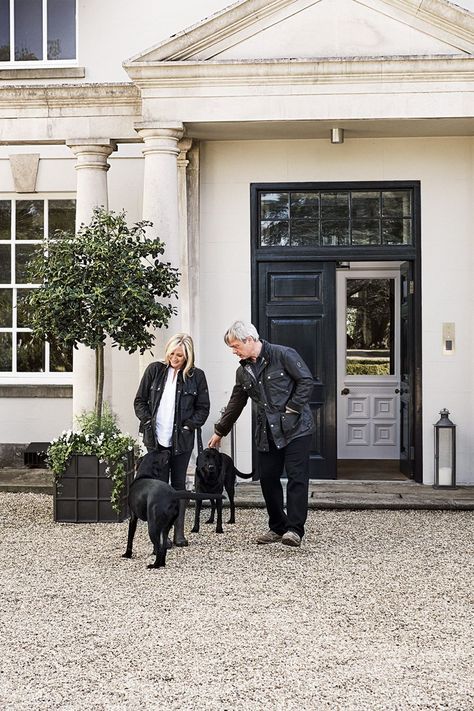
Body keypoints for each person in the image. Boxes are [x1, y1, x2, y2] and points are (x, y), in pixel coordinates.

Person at [208, 321, 315, 548]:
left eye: (236, 346)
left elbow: (305, 381)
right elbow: (236, 402)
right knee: (267, 478)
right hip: (267, 432)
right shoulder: (243, 370)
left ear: (249, 340)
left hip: (296, 429)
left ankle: (294, 530)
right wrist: (220, 431)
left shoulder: (283, 354)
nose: (234, 351)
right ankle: (277, 527)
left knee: (297, 478)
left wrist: (292, 410)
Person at [134, 333, 210, 547]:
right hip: (155, 440)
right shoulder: (154, 371)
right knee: (158, 486)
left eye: (180, 355)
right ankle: (160, 533)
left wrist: (189, 426)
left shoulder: (197, 376)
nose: (175, 358)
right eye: (172, 354)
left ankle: (179, 532)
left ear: (188, 356)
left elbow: (203, 408)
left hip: (181, 440)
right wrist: (147, 421)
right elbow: (140, 401)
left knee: (178, 485)